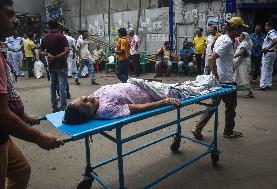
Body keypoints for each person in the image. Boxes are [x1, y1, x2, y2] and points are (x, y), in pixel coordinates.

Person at [0, 1, 64, 189]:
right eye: (9, 14)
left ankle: (56, 106)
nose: (15, 19)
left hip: (4, 134)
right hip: (1, 131)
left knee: (21, 171)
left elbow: (41, 51)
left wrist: (22, 115)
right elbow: (2, 116)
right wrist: (38, 137)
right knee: (58, 86)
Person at [63, 75, 221, 124]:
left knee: (180, 86)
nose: (83, 97)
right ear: (88, 114)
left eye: (80, 98)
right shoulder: (105, 111)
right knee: (185, 91)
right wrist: (162, 102)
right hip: (153, 94)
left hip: (142, 84)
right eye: (82, 102)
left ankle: (209, 80)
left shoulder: (94, 98)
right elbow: (135, 108)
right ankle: (212, 81)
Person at [191, 17, 249, 140]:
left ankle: (198, 128)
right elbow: (212, 58)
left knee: (212, 106)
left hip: (220, 80)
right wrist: (217, 76)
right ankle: (228, 131)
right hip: (225, 81)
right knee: (231, 108)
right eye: (241, 28)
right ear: (235, 28)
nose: (241, 32)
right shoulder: (227, 41)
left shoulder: (222, 38)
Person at [39, 19, 70, 113]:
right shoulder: (61, 37)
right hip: (61, 65)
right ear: (58, 26)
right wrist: (56, 57)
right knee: (62, 87)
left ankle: (54, 108)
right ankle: (63, 108)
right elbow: (67, 50)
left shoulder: (45, 38)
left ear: (49, 27)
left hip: (52, 66)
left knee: (53, 87)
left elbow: (40, 51)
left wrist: (49, 55)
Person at [256, 22, 277, 91]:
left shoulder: (271, 33)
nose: (265, 27)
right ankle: (268, 84)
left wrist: (268, 48)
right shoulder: (274, 32)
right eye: (265, 26)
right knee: (269, 69)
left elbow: (276, 40)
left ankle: (262, 85)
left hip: (268, 53)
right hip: (272, 52)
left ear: (270, 27)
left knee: (264, 69)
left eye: (267, 26)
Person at [233, 32, 254, 98]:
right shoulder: (244, 43)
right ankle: (233, 91)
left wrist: (235, 55)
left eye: (241, 36)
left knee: (244, 76)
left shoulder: (244, 43)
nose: (239, 37)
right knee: (237, 75)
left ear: (244, 37)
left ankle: (250, 92)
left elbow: (241, 52)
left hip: (244, 62)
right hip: (242, 61)